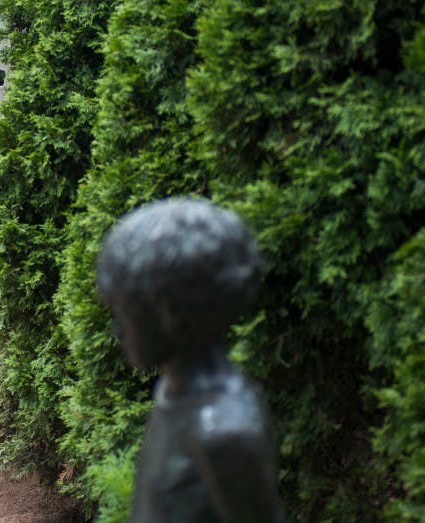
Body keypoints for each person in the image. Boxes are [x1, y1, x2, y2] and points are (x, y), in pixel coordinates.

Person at [97, 198, 284, 522]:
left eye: (126, 314)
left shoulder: (224, 432)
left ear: (172, 316)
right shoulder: (177, 393)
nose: (117, 330)